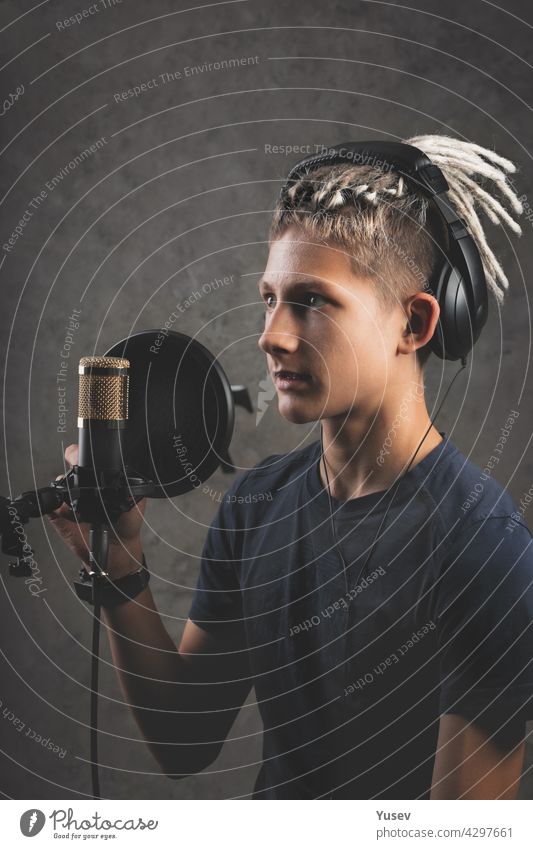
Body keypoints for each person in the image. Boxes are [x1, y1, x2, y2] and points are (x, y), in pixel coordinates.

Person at [49, 134, 533, 800]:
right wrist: (119, 560)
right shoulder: (254, 507)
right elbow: (185, 736)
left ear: (415, 323)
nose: (271, 335)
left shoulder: (483, 549)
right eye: (269, 298)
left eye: (311, 301)